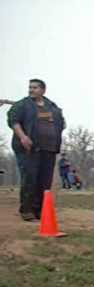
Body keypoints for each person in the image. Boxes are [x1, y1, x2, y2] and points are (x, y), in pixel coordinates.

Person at [7, 79, 66, 221]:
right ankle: (27, 211)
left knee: (45, 181)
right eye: (30, 87)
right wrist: (23, 137)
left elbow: (61, 122)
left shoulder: (52, 106)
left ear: (43, 90)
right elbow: (13, 121)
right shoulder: (23, 105)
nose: (31, 90)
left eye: (35, 87)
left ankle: (40, 211)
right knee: (30, 178)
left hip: (49, 149)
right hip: (29, 149)